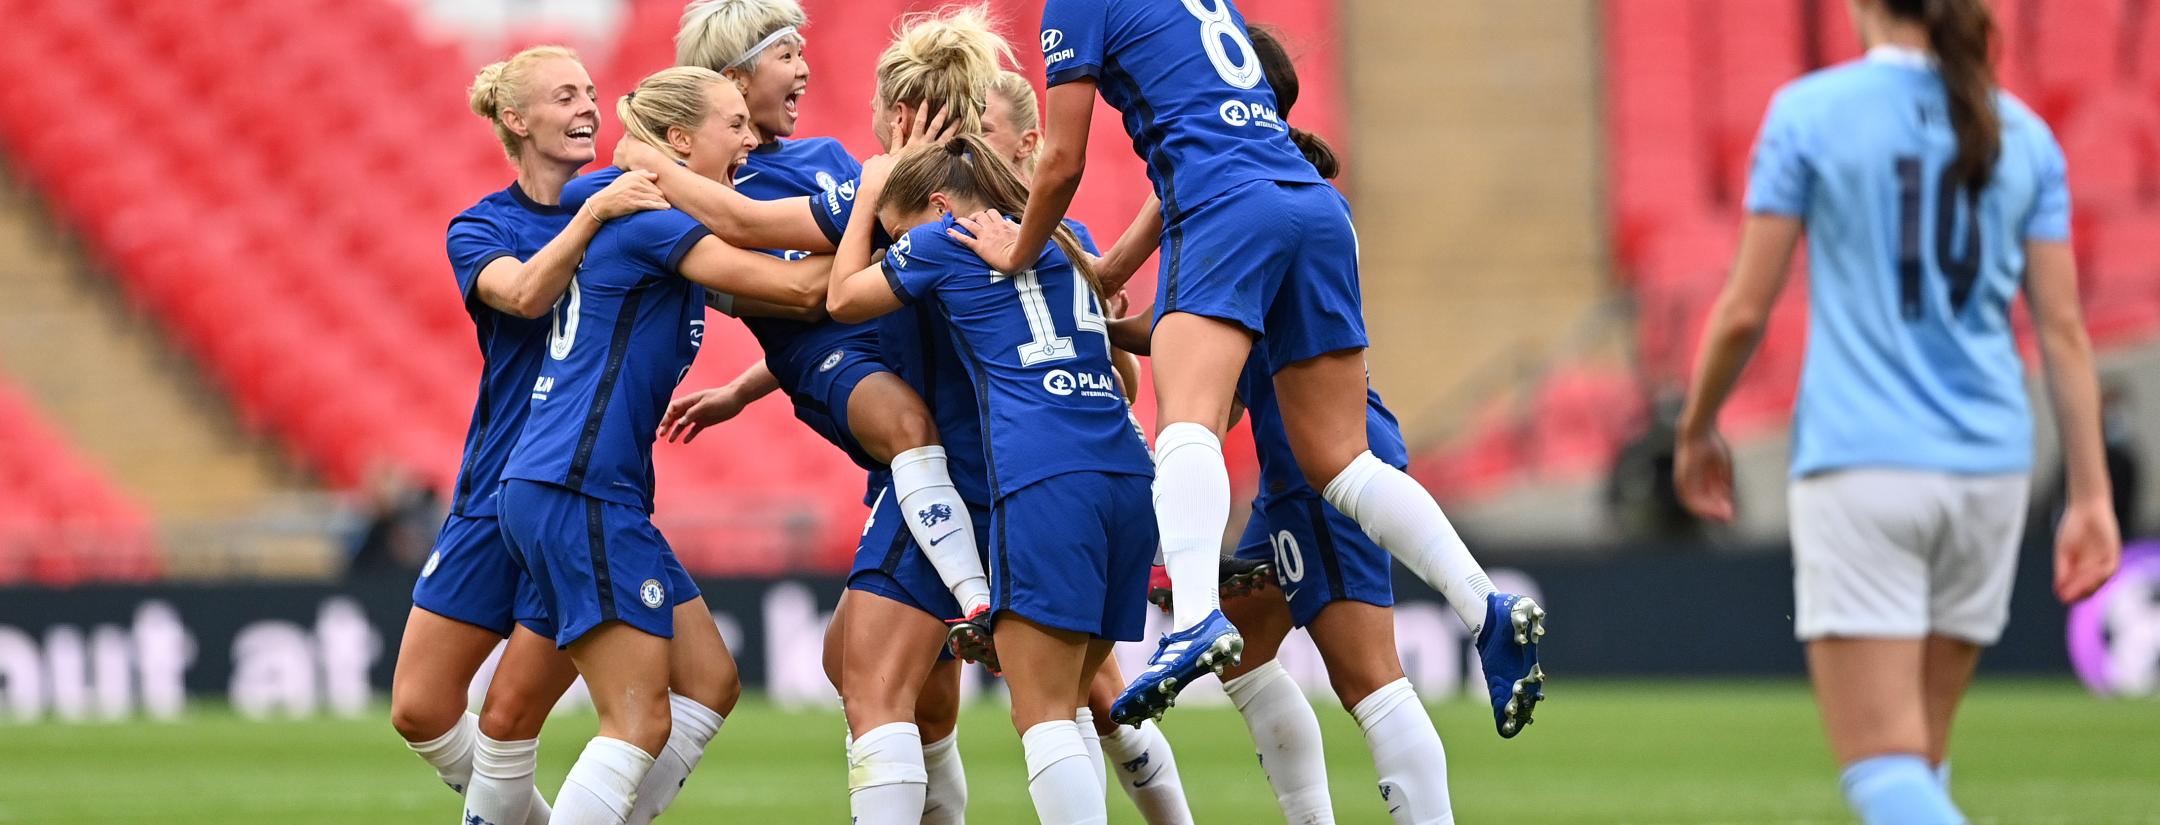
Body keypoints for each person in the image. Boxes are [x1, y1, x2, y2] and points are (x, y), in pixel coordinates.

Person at [959, 0, 1545, 730]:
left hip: (1224, 209)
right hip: (1313, 208)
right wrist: (1111, 268)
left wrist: (1018, 252)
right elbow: (1206, 139)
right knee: (1341, 458)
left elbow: (1063, 158)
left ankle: (1198, 616)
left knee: (1187, 419)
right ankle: (1482, 604)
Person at [1672, 2, 2121, 823]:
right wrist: (2090, 494)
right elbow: (2063, 330)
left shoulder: (1810, 113)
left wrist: (1697, 427)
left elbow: (1744, 309)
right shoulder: (2022, 133)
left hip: (1863, 463)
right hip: (1990, 471)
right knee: (1920, 758)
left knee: (1882, 772)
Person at [637, 8, 1014, 821]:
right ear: (731, 79)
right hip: (861, 385)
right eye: (785, 53)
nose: (805, 68)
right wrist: (744, 387)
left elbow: (829, 286)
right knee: (875, 673)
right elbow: (799, 296)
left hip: (932, 424)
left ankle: (977, 597)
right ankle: (977, 598)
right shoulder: (711, 199)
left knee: (873, 673)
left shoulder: (832, 164)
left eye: (806, 49)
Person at [1098, 26, 1465, 823]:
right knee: (1248, 648)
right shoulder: (1295, 194)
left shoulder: (1241, 207)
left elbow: (1208, 348)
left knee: (1370, 678)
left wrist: (1084, 317)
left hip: (1319, 466)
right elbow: (1214, 354)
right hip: (1300, 462)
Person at [496, 66, 828, 825]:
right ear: (679, 140)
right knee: (638, 719)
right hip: (577, 483)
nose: (753, 139)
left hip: (582, 486)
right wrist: (890, 229)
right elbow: (804, 292)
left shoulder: (640, 208)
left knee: (709, 681)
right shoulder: (650, 222)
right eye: (735, 125)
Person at [829, 134, 1157, 825]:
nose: (899, 246)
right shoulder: (1065, 238)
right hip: (1128, 470)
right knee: (1070, 703)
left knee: (1040, 716)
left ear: (942, 204)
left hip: (1043, 476)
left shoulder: (941, 239)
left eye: (900, 233)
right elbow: (1127, 362)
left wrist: (868, 199)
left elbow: (842, 300)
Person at [394, 44, 667, 825]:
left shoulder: (628, 204)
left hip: (571, 489)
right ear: (515, 120)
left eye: (590, 92)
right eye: (564, 96)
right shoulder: (484, 225)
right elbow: (518, 293)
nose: (589, 107)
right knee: (419, 707)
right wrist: (590, 216)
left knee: (516, 714)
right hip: (490, 489)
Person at [983, 69, 1196, 824]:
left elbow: (1126, 381)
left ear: (1030, 143)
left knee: (1061, 702)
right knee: (1092, 694)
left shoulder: (1005, 241)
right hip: (1076, 475)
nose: (966, 145)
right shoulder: (1061, 243)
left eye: (982, 128)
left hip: (1035, 480)